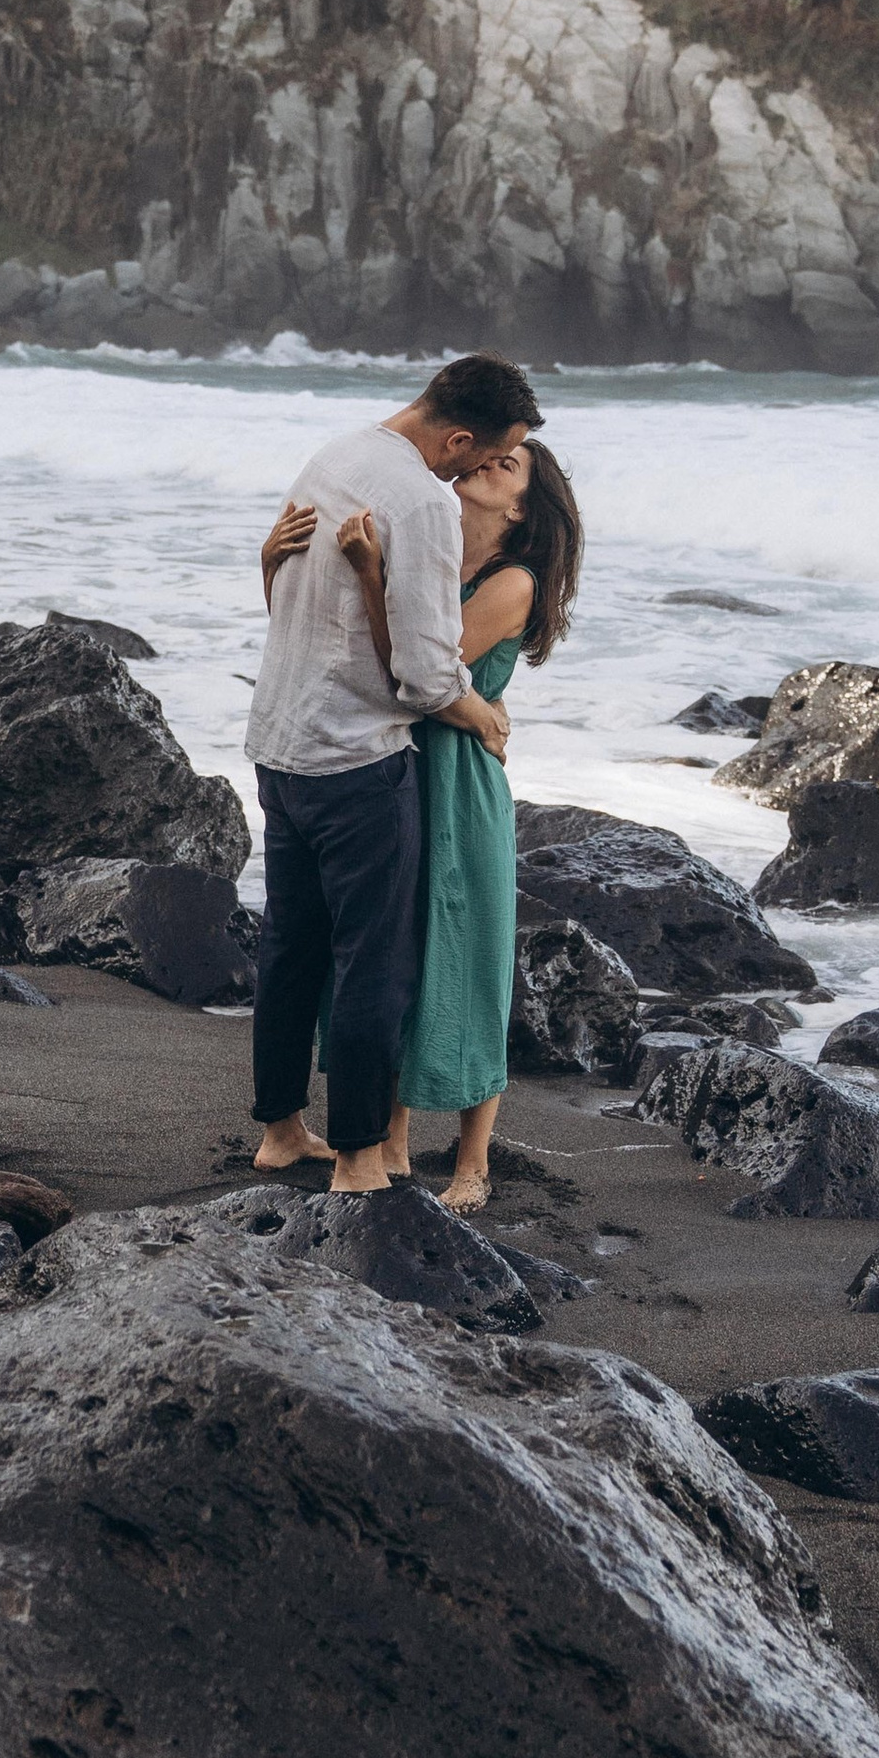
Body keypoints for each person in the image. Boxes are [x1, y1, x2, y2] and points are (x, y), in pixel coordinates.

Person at [244, 352, 541, 1192]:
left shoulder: (334, 456)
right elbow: (421, 673)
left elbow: (294, 604)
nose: (480, 469)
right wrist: (477, 709)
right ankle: (360, 1160)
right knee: (375, 960)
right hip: (355, 763)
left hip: (280, 742)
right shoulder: (418, 499)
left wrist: (266, 564)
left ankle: (279, 1131)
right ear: (455, 437)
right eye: (487, 454)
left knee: (291, 949)